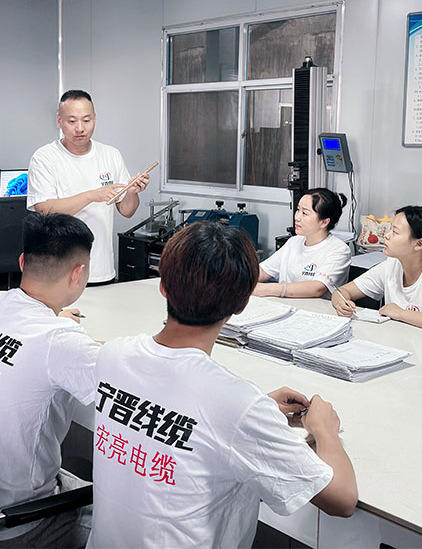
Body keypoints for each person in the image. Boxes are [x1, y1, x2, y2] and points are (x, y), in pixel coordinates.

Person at [87, 222, 357, 549]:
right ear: (242, 304)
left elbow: (177, 404)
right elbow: (341, 500)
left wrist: (253, 410)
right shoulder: (235, 404)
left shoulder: (114, 355)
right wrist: (325, 431)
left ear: (162, 286)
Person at [0, 212, 100, 547]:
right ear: (78, 273)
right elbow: (129, 389)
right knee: (121, 521)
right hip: (16, 522)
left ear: (23, 261)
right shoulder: (59, 340)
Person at [27, 90, 149, 285]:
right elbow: (44, 208)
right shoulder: (45, 157)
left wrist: (132, 192)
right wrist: (92, 195)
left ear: (95, 119)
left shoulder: (111, 155)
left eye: (86, 120)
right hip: (59, 271)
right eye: (72, 121)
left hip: (102, 269)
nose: (80, 128)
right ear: (59, 121)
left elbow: (127, 211)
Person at [330, 206, 422, 334]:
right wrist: (341, 303)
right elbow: (342, 291)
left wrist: (401, 313)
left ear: (419, 244)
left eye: (395, 232)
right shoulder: (391, 266)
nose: (387, 235)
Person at [254, 188, 351, 298]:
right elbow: (262, 271)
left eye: (304, 213)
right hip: (284, 305)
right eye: (298, 210)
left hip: (315, 308)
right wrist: (242, 279)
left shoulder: (339, 250)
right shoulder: (294, 242)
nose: (297, 217)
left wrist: (268, 289)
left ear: (324, 222)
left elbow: (317, 288)